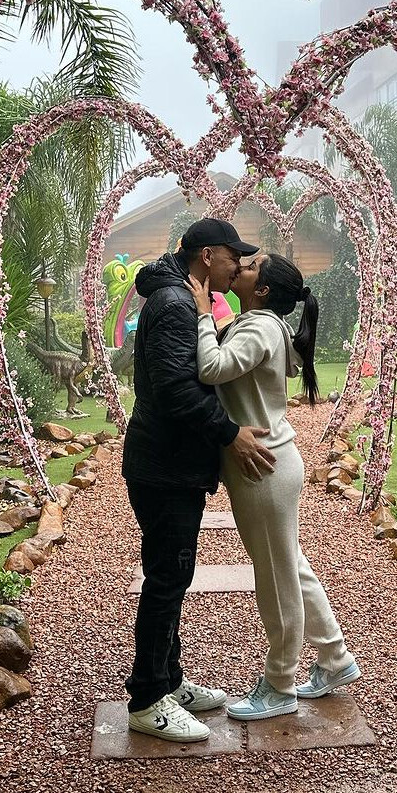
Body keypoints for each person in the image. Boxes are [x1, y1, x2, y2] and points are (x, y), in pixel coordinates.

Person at [121, 218, 278, 743]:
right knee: (167, 579)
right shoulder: (173, 304)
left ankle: (170, 682)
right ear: (208, 256)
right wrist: (230, 433)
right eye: (236, 256)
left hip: (172, 462)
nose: (240, 266)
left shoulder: (182, 297)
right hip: (165, 465)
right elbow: (174, 391)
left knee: (175, 574)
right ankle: (147, 699)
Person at [186, 252, 360, 721]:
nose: (241, 263)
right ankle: (335, 658)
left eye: (252, 265)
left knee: (276, 577)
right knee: (291, 566)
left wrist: (205, 314)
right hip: (272, 461)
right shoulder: (263, 325)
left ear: (262, 290)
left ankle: (280, 685)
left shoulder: (261, 328)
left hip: (261, 467)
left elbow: (212, 368)